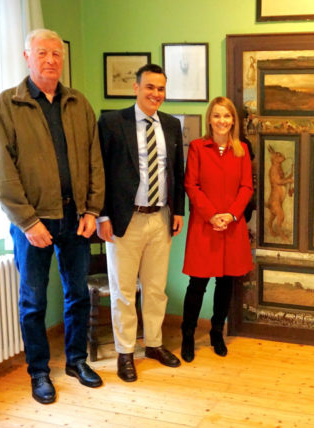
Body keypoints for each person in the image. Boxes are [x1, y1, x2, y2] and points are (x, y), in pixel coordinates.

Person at [0, 29, 105, 404]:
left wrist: (92, 209)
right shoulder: (7, 106)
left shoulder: (78, 103)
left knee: (77, 296)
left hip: (76, 218)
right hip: (33, 223)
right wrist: (27, 222)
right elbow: (3, 172)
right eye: (42, 53)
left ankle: (76, 361)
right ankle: (39, 372)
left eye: (56, 53)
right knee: (34, 302)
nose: (51, 60)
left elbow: (94, 161)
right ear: (27, 57)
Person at [97, 64, 185, 382]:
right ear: (136, 88)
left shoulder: (173, 125)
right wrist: (103, 215)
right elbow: (100, 171)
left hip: (160, 218)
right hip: (125, 220)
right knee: (123, 291)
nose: (156, 94)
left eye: (161, 88)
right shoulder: (111, 122)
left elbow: (177, 171)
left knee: (155, 289)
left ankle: (154, 345)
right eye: (150, 87)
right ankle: (124, 352)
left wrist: (178, 211)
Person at [181, 96, 253, 362]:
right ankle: (187, 335)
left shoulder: (242, 149)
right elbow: (191, 185)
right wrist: (212, 216)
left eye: (227, 116)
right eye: (217, 115)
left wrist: (231, 215)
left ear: (233, 120)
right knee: (197, 284)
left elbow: (247, 187)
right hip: (205, 225)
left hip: (232, 226)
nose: (222, 121)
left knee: (226, 283)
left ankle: (216, 332)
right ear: (209, 119)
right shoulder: (199, 147)